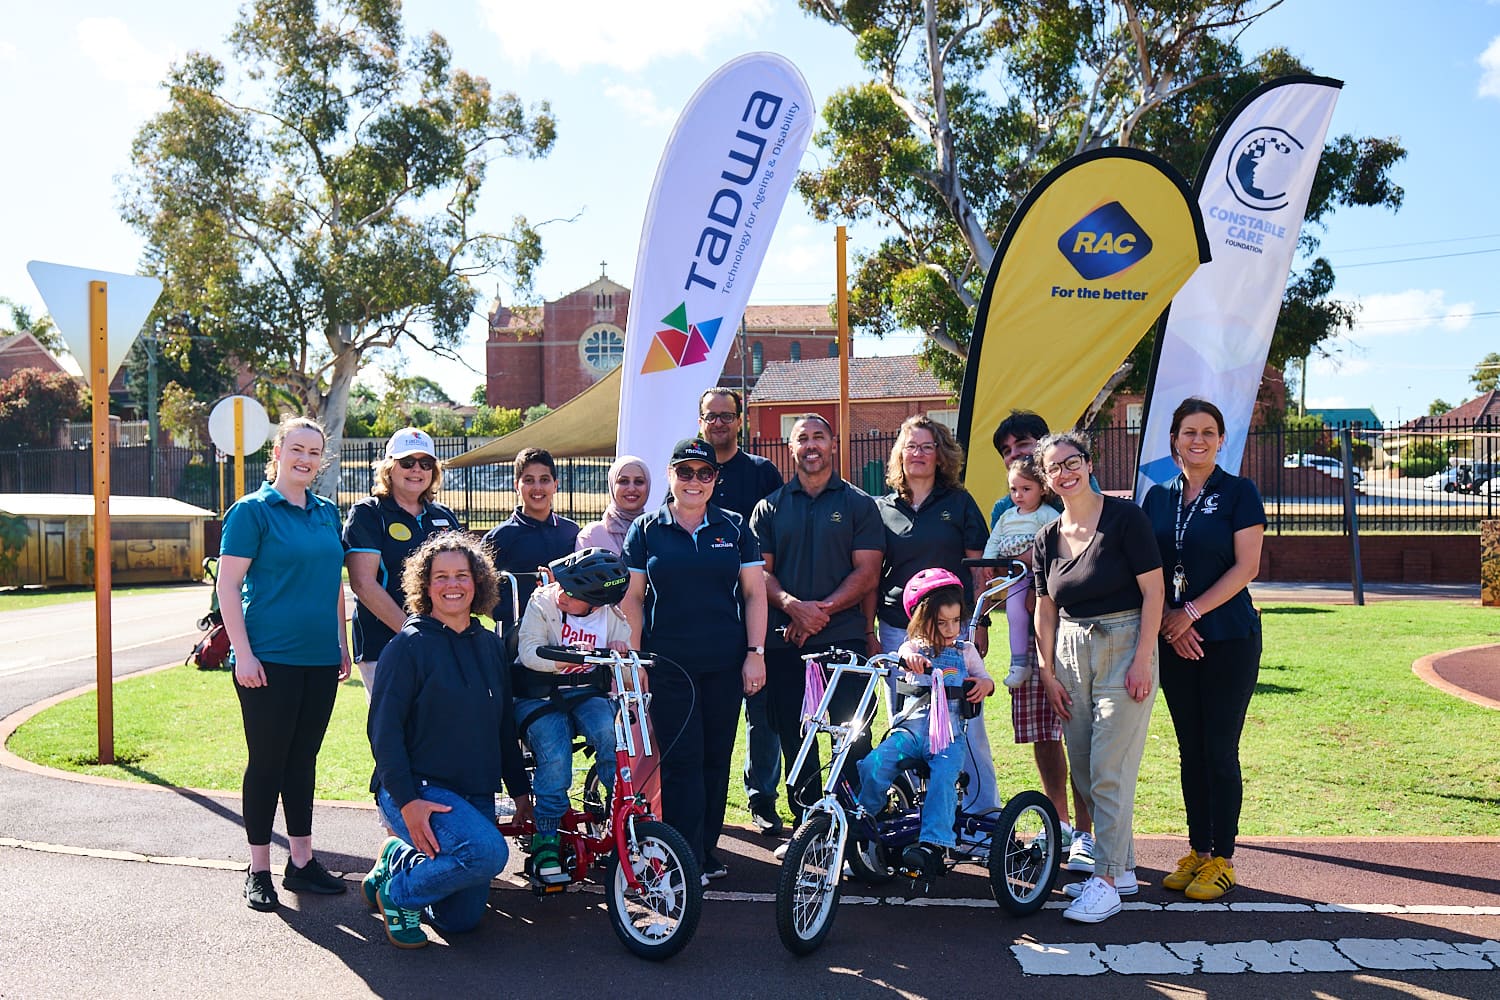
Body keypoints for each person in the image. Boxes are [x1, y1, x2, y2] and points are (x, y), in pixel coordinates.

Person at [364, 532, 532, 949]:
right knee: (488, 855)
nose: (452, 585)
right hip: (417, 788)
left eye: (462, 575)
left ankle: (399, 861)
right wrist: (407, 800)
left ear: (478, 583)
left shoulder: (491, 645)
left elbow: (502, 727)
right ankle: (399, 894)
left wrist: (520, 791)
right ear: (425, 585)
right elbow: (382, 732)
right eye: (440, 577)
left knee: (460, 920)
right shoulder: (407, 646)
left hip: (472, 792)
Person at [216, 416, 351, 912]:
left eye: (314, 452)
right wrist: (243, 653)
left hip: (319, 659)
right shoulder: (251, 512)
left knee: (303, 761)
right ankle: (258, 871)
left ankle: (302, 862)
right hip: (268, 659)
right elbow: (227, 587)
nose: (305, 459)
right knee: (268, 762)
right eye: (297, 449)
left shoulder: (326, 513)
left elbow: (334, 583)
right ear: (277, 453)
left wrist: (341, 641)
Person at [621, 437, 768, 884]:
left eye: (704, 474)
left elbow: (755, 595)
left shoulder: (736, 528)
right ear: (670, 477)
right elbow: (632, 600)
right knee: (682, 760)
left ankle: (706, 850)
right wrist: (636, 662)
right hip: (669, 666)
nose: (694, 481)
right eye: (685, 472)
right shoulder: (646, 530)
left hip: (725, 664)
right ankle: (686, 856)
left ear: (714, 480)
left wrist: (754, 654)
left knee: (716, 757)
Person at [1031, 431, 1163, 924]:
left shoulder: (1126, 519)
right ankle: (1122, 867)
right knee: (1085, 769)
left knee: (1110, 764)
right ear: (1045, 479)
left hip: (1125, 641)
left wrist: (1143, 658)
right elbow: (1045, 606)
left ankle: (1104, 880)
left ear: (1088, 463)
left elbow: (1155, 593)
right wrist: (1046, 670)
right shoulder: (1047, 536)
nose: (1065, 473)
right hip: (1068, 649)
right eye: (1054, 468)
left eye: (1072, 462)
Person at [1141, 397, 1265, 901]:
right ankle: (1198, 849)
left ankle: (1224, 857)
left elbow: (1246, 567)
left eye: (1208, 432)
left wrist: (1190, 613)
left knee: (1219, 750)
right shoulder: (1157, 498)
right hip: (1175, 639)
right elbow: (1148, 570)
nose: (1198, 440)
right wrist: (1171, 626)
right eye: (1189, 432)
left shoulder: (1239, 493)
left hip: (1229, 637)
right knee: (1190, 752)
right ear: (1174, 439)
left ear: (1220, 440)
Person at [749, 414, 883, 832]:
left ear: (833, 443)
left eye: (818, 437)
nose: (811, 445)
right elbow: (759, 573)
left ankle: (856, 830)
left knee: (852, 736)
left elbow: (867, 573)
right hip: (785, 641)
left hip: (843, 639)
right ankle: (809, 826)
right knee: (796, 736)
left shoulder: (859, 503)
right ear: (791, 449)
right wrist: (794, 607)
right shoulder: (769, 507)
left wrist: (816, 612)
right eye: (802, 438)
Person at [985, 409, 1095, 873]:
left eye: (1024, 442)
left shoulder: (1078, 499)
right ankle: (1061, 824)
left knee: (1081, 731)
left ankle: (1088, 833)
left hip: (1076, 630)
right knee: (1043, 733)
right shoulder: (1004, 510)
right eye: (1008, 450)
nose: (1017, 453)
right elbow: (994, 567)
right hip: (1028, 636)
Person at [870, 414, 994, 816]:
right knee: (907, 722)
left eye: (927, 446)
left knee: (965, 723)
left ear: (940, 455)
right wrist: (870, 630)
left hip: (952, 634)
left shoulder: (959, 503)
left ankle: (980, 810)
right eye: (911, 446)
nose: (918, 454)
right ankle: (922, 812)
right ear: (899, 456)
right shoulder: (881, 508)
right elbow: (873, 573)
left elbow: (980, 571)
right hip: (897, 631)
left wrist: (980, 625)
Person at [856, 569, 993, 876]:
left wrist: (985, 685)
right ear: (922, 621)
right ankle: (867, 816)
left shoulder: (965, 651)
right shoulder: (913, 647)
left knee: (944, 779)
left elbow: (985, 679)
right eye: (941, 622)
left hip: (948, 737)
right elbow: (903, 652)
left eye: (955, 621)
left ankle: (932, 844)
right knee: (873, 763)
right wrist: (910, 659)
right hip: (910, 732)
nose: (950, 629)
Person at [514, 547, 633, 884]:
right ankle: (547, 836)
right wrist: (562, 658)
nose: (562, 595)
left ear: (596, 603)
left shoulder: (611, 617)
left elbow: (625, 670)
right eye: (563, 587)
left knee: (609, 734)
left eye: (573, 593)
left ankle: (621, 815)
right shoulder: (543, 602)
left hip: (586, 693)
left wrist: (622, 658)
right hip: (538, 694)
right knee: (554, 752)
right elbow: (529, 651)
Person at [699, 387, 786, 835]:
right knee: (708, 716)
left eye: (725, 416)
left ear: (739, 421)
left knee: (762, 710)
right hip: (707, 614)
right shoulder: (691, 472)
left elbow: (779, 533)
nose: (718, 423)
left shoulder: (761, 472)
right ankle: (702, 807)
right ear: (701, 421)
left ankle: (761, 798)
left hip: (756, 607)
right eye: (710, 416)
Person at [344, 428, 461, 702]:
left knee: (440, 729)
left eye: (425, 463)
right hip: (385, 645)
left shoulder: (444, 516)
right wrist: (415, 632)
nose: (416, 470)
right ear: (389, 468)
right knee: (394, 733)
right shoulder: (369, 513)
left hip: (444, 643)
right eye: (407, 462)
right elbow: (363, 583)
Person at [983, 455, 1060, 689]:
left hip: (1042, 577)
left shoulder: (1047, 514)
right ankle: (1019, 663)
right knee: (1014, 615)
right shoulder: (1006, 516)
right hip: (1016, 577)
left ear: (1042, 488)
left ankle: (1052, 660)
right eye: (1014, 489)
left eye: (1026, 489)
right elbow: (994, 540)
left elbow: (1059, 540)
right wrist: (988, 562)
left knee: (1044, 618)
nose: (1018, 495)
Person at [483, 447, 580, 628]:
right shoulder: (497, 538)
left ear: (556, 485)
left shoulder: (571, 532)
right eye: (528, 480)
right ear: (516, 486)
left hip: (568, 634)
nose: (537, 487)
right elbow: (481, 592)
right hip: (515, 638)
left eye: (544, 480)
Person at [574, 455, 651, 555]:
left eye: (639, 482)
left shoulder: (658, 532)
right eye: (623, 481)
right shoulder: (592, 536)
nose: (632, 488)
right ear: (612, 484)